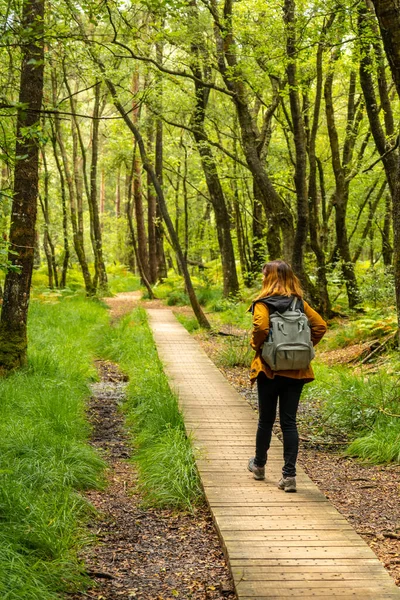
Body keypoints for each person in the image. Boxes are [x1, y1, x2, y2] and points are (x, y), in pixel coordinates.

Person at [247, 260, 327, 492]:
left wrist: (257, 345)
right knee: (289, 422)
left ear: (269, 277)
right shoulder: (299, 302)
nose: (262, 277)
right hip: (297, 371)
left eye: (264, 274)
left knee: (266, 420)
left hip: (269, 369)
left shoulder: (263, 303)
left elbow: (261, 328)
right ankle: (289, 476)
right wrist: (302, 348)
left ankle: (259, 466)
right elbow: (320, 326)